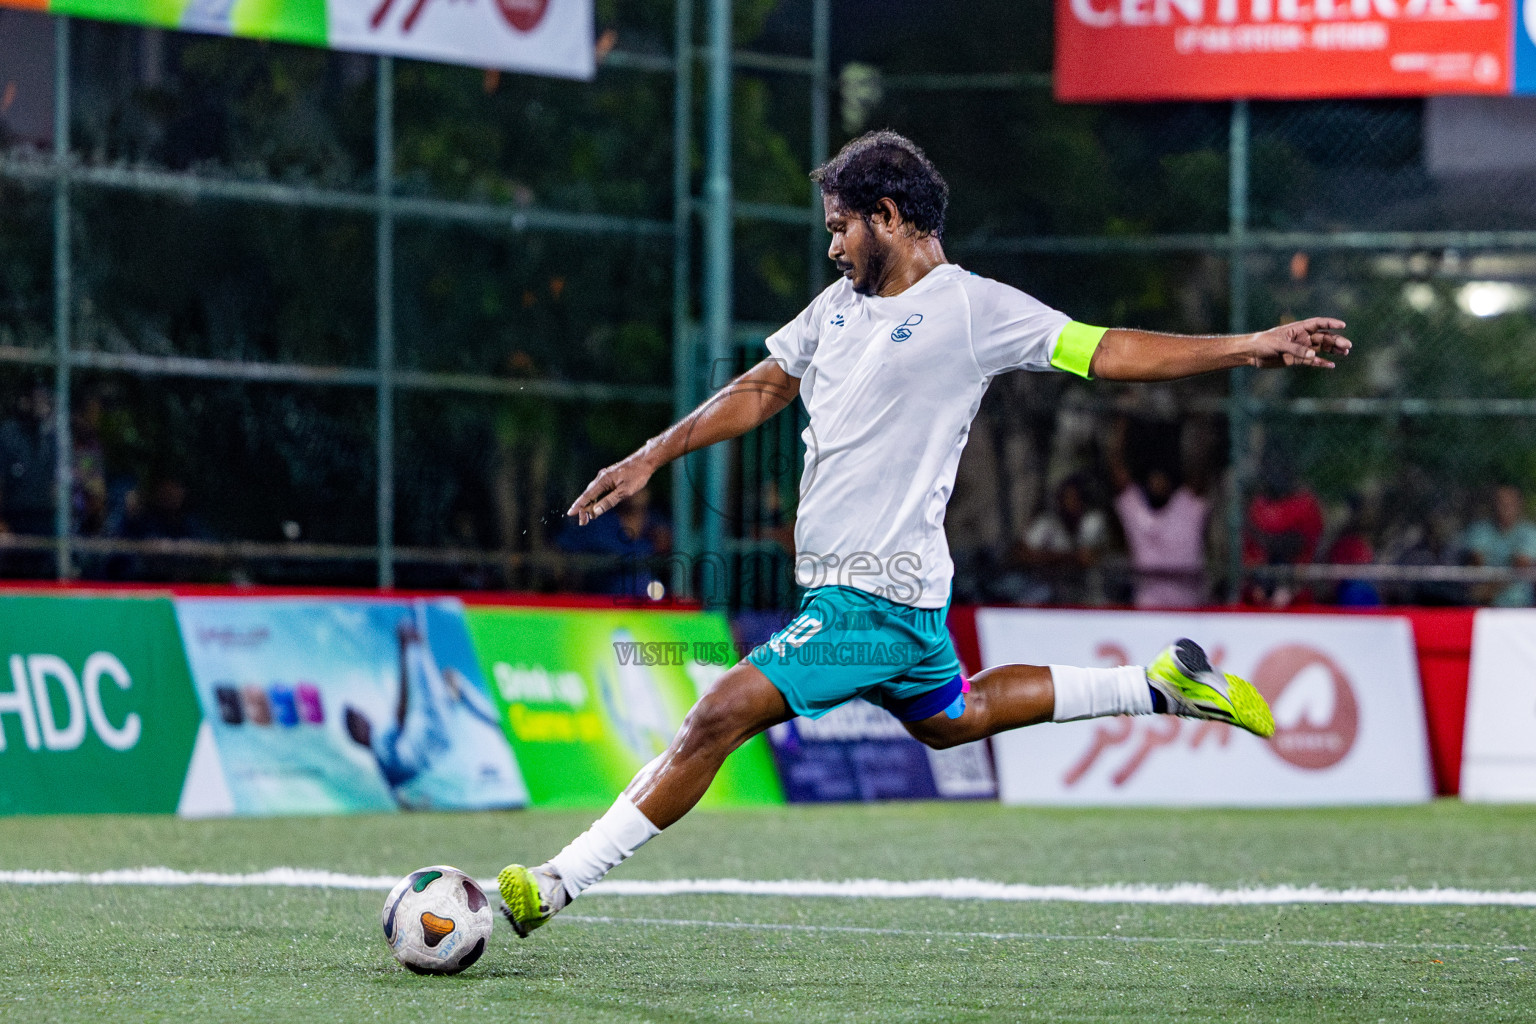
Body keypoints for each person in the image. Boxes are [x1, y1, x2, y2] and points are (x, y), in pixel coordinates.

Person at [495, 131, 1350, 935]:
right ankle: (1159, 687)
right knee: (953, 716)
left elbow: (1107, 351)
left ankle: (558, 881)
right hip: (870, 590)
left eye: (842, 228)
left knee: (716, 717)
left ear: (891, 218)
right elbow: (763, 385)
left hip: (876, 596)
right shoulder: (837, 308)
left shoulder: (972, 309)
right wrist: (652, 453)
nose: (833, 248)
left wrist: (1249, 347)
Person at [1106, 417, 1210, 609]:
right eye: (1153, 479)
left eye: (1163, 479)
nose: (1158, 483)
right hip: (1148, 609)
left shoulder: (1184, 506)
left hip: (1189, 607)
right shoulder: (1136, 510)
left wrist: (1198, 419)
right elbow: (1116, 467)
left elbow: (1200, 466)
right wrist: (1122, 419)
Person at [1009, 474, 1107, 605]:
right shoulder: (1048, 523)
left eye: (1075, 498)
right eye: (1066, 498)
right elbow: (1020, 554)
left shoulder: (1093, 522)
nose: (1070, 503)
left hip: (1087, 594)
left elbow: (1091, 558)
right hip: (1049, 594)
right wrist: (1066, 557)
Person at [1462, 484, 1536, 607]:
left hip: (1520, 606)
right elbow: (1476, 563)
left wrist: (1489, 590)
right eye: (1500, 503)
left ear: (1519, 506)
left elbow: (1521, 566)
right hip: (1484, 606)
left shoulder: (1529, 533)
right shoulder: (1480, 530)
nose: (1504, 508)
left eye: (1510, 504)